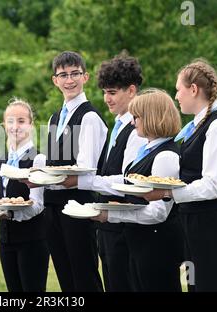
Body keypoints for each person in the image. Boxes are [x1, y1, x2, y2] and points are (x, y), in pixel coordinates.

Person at [144, 59, 217, 291]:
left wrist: (167, 191)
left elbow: (212, 186)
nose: (176, 96)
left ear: (194, 89)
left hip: (213, 231)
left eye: (178, 89)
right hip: (193, 227)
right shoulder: (197, 127)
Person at [91, 89, 185, 291]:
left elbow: (159, 212)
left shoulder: (165, 156)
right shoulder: (148, 150)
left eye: (136, 117)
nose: (133, 123)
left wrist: (113, 215)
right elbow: (128, 184)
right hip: (140, 242)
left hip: (157, 245)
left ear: (151, 117)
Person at [76, 54, 147, 291]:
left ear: (131, 90)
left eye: (113, 92)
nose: (106, 98)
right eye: (105, 92)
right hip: (107, 226)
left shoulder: (137, 130)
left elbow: (127, 180)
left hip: (124, 227)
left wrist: (85, 182)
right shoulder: (116, 125)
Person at [39, 51, 107, 291]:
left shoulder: (89, 117)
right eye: (63, 75)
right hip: (52, 204)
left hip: (78, 204)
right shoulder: (54, 118)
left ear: (85, 77)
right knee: (65, 275)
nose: (70, 80)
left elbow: (86, 170)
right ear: (55, 80)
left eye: (75, 73)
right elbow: (50, 162)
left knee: (84, 274)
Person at [0, 98, 49, 292]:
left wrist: (10, 214)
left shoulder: (39, 159)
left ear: (31, 125)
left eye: (21, 121)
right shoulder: (0, 160)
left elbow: (38, 204)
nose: (15, 126)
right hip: (6, 241)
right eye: (10, 121)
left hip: (32, 241)